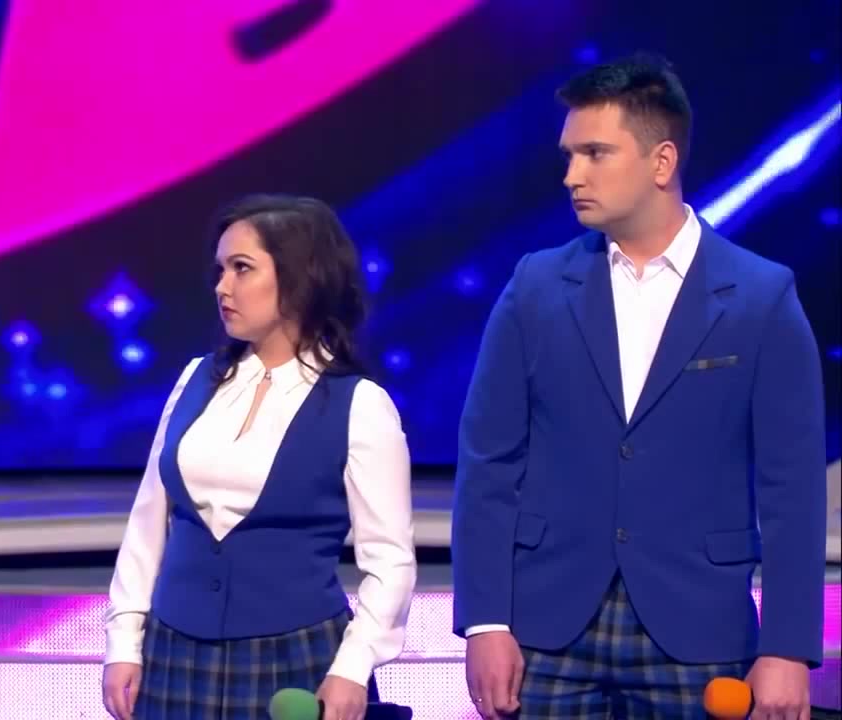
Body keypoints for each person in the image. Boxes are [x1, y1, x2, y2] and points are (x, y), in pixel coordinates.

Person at [452, 53, 826, 719]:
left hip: (700, 628)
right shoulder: (535, 287)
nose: (572, 175)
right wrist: (485, 621)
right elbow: (488, 465)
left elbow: (792, 488)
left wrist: (787, 647)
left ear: (662, 162)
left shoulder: (761, 297)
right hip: (547, 627)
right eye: (569, 156)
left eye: (595, 153)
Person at [100, 195, 417, 720]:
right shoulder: (196, 379)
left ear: (299, 278)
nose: (222, 287)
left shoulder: (360, 405)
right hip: (173, 652)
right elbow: (148, 520)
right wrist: (124, 641)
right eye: (220, 270)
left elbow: (390, 560)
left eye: (242, 268)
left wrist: (353, 666)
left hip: (293, 659)